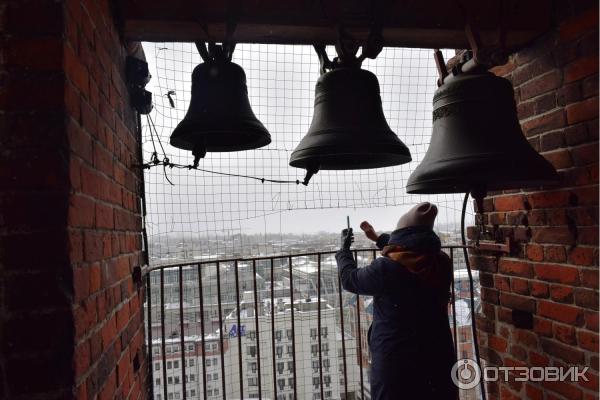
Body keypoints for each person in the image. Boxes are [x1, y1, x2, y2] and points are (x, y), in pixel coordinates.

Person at [335, 202, 457, 400]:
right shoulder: (441, 261)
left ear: (401, 237)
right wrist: (377, 238)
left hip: (395, 359)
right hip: (436, 351)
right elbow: (411, 250)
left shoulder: (386, 270)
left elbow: (350, 279)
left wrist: (343, 251)